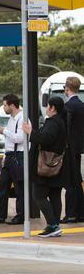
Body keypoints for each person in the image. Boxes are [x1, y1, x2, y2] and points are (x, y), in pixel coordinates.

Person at [23, 96, 69, 238]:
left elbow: (45, 139)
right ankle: (54, 226)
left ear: (52, 108)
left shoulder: (53, 122)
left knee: (39, 195)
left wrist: (31, 132)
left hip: (44, 166)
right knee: (54, 195)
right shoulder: (62, 121)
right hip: (57, 165)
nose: (46, 108)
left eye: (48, 106)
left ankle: (53, 225)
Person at [0, 94, 25, 225]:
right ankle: (1, 214)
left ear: (12, 105)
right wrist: (4, 156)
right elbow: (9, 141)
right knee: (3, 186)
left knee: (19, 187)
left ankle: (20, 215)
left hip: (18, 156)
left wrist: (4, 131)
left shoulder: (22, 118)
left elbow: (20, 138)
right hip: (9, 156)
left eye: (5, 105)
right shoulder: (11, 118)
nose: (3, 108)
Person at [63, 76, 84, 223]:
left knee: (70, 182)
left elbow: (65, 128)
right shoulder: (82, 105)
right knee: (78, 180)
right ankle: (81, 213)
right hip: (79, 148)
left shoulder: (68, 107)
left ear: (67, 88)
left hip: (69, 148)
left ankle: (70, 213)